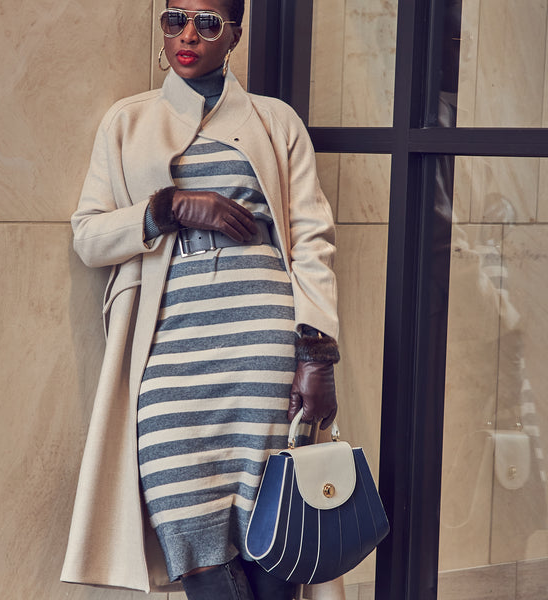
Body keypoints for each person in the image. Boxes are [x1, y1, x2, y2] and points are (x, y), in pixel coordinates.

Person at [61, 0, 340, 598]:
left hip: (261, 358)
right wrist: (170, 209)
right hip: (169, 362)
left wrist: (316, 357)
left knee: (276, 538)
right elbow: (88, 236)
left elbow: (313, 241)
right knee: (193, 545)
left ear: (234, 33)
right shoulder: (127, 122)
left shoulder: (275, 122)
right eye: (174, 19)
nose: (188, 35)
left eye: (208, 22)